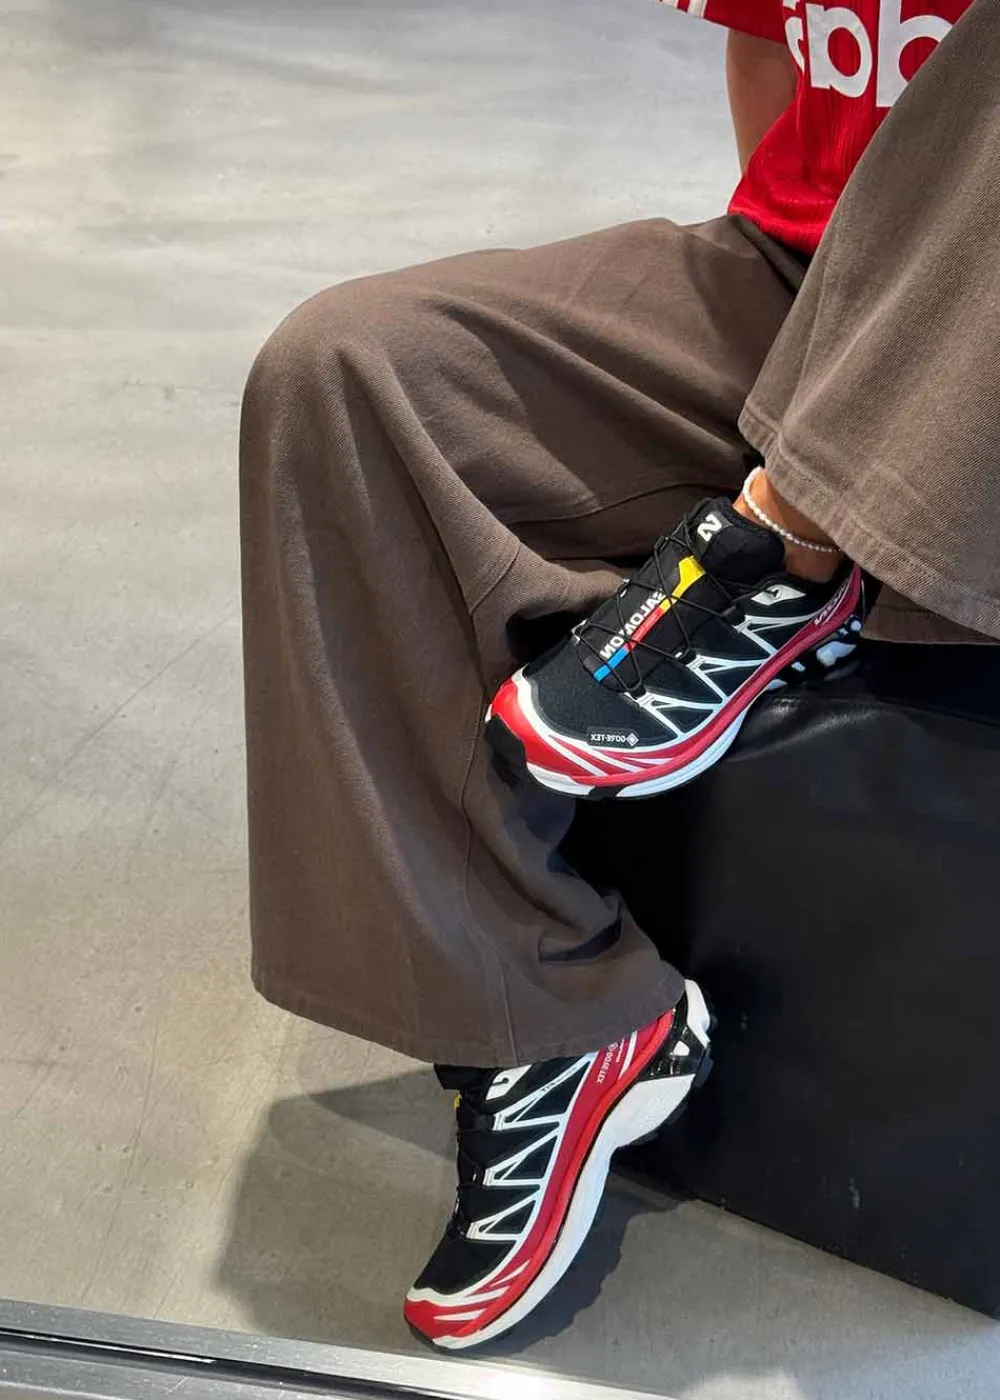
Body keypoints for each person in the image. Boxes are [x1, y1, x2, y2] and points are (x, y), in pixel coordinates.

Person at [240, 0, 994, 1350]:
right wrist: (828, 380)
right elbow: (769, 46)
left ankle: (791, 543)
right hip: (816, 296)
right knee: (345, 377)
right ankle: (544, 1016)